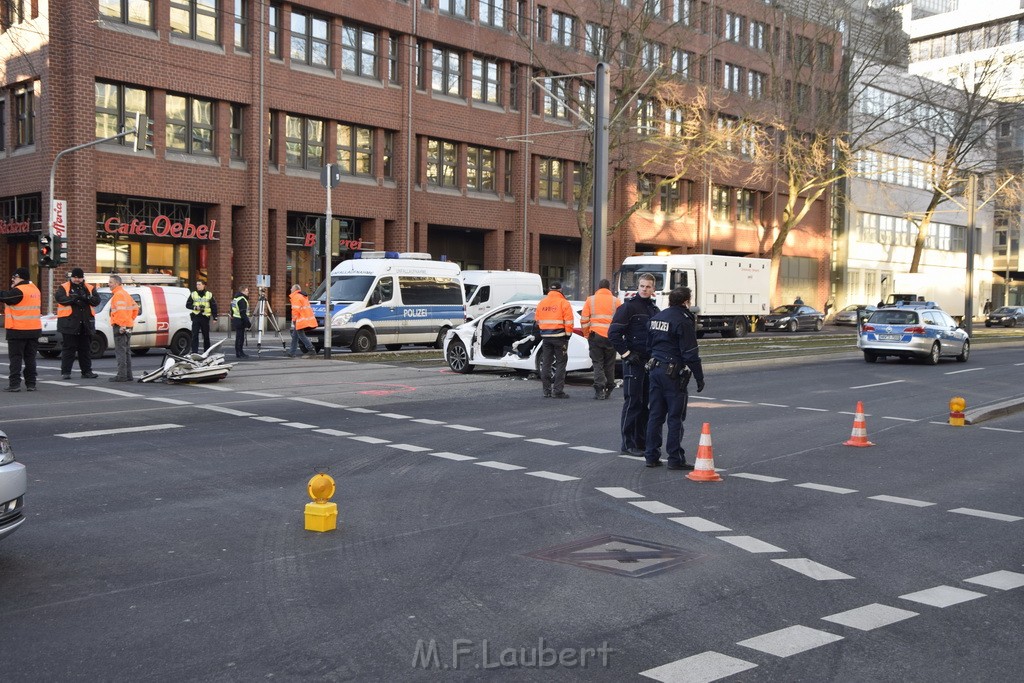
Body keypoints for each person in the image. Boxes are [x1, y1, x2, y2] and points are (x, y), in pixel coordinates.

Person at [643, 287, 706, 470]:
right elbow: (690, 353)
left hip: (655, 370)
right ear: (686, 301)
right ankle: (675, 458)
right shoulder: (683, 320)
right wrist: (699, 377)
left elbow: (649, 346)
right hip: (672, 374)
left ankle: (651, 456)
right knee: (675, 417)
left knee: (655, 415)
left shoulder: (656, 318)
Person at [608, 272, 659, 457]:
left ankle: (641, 442)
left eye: (648, 287)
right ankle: (628, 444)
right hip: (633, 362)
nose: (645, 289)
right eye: (642, 286)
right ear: (638, 287)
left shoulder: (654, 310)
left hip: (648, 362)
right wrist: (626, 354)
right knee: (633, 402)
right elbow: (613, 334)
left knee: (645, 403)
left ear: (654, 289)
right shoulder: (628, 308)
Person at [54, 267, 101, 380]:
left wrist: (86, 297)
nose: (77, 279)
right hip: (69, 324)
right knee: (68, 349)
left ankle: (86, 372)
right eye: (75, 277)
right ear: (71, 277)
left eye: (79, 277)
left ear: (82, 278)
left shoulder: (89, 288)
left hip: (85, 324)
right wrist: (75, 299)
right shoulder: (64, 287)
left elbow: (96, 300)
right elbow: (60, 298)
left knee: (85, 349)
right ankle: (66, 372)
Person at [1, 267, 41, 392]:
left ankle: (14, 384)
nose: (12, 280)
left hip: (18, 330)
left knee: (16, 358)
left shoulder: (19, 290)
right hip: (34, 329)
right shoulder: (35, 289)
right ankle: (31, 384)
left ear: (20, 277)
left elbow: (5, 297)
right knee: (30, 358)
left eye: (14, 278)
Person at [581, 278, 621, 400]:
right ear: (609, 288)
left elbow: (584, 320)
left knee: (598, 363)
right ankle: (610, 386)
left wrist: (587, 334)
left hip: (595, 336)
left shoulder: (590, 300)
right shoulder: (616, 301)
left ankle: (599, 390)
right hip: (611, 337)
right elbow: (620, 321)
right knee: (609, 364)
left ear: (598, 287)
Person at [534, 281, 575, 398]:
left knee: (546, 363)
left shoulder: (542, 303)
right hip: (560, 337)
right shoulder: (564, 303)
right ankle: (557, 390)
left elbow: (537, 320)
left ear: (549, 290)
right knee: (561, 363)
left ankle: (546, 390)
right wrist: (568, 335)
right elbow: (569, 321)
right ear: (560, 290)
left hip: (546, 337)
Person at [107, 274, 139, 382]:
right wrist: (130, 319)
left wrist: (122, 325)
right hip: (128, 325)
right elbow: (136, 308)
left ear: (116, 283)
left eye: (110, 282)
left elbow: (120, 312)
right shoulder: (125, 294)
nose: (109, 284)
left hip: (120, 326)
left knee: (120, 351)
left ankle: (121, 375)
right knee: (126, 351)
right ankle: (128, 375)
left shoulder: (118, 295)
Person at [187, 280, 218, 353]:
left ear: (204, 285)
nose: (198, 286)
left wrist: (215, 317)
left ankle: (206, 351)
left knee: (206, 335)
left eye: (199, 284)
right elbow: (188, 305)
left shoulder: (209, 294)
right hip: (196, 317)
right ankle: (194, 352)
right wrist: (195, 308)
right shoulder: (193, 294)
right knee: (194, 335)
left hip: (205, 317)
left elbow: (214, 306)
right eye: (197, 284)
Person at [288, 284, 317, 357]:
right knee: (295, 336)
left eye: (291, 288)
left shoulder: (296, 297)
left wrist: (294, 320)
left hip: (299, 320)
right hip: (304, 319)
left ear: (295, 290)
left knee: (301, 335)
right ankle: (292, 352)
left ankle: (311, 349)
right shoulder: (302, 296)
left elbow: (295, 310)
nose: (290, 289)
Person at [231, 286, 252, 358]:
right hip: (240, 320)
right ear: (242, 292)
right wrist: (248, 323)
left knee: (238, 337)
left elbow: (232, 309)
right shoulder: (242, 300)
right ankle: (240, 352)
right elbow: (243, 313)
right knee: (240, 337)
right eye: (246, 291)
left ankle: (238, 352)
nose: (248, 292)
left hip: (236, 319)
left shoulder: (235, 298)